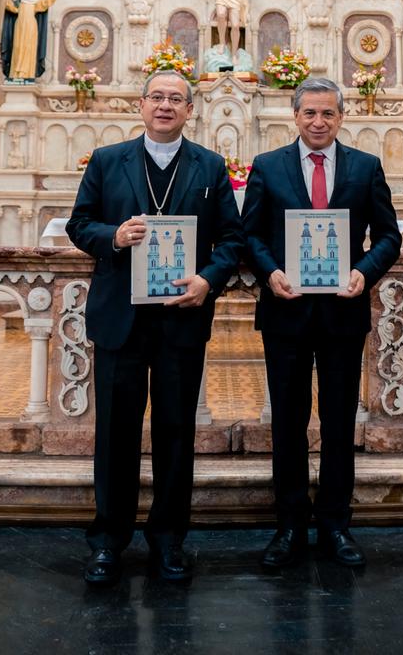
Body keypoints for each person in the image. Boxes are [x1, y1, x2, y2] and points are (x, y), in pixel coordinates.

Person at [66, 71, 244, 587]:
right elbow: (79, 224)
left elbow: (232, 239)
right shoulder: (107, 160)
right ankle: (108, 541)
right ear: (141, 105)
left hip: (180, 316)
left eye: (176, 99)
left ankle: (168, 540)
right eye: (157, 97)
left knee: (175, 432)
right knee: (115, 435)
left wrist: (208, 280)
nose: (165, 106)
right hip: (120, 318)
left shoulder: (210, 166)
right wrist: (114, 235)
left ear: (190, 110)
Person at [242, 76, 401, 569]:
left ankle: (335, 524)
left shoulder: (365, 167)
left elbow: (389, 236)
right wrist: (269, 272)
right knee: (288, 423)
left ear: (341, 117)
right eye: (309, 113)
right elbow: (250, 235)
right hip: (285, 312)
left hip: (342, 313)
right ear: (295, 116)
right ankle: (289, 525)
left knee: (338, 423)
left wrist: (363, 272)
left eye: (328, 113)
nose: (318, 121)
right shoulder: (268, 166)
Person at [1, 0, 55, 81]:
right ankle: (16, 73)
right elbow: (12, 8)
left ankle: (27, 74)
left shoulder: (36, 2)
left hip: (31, 27)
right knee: (18, 47)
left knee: (29, 48)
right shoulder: (20, 2)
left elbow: (46, 3)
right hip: (20, 27)